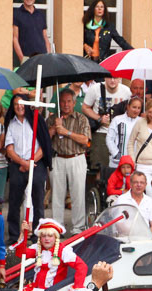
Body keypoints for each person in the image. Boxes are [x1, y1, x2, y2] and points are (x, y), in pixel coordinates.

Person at [5, 93, 52, 246]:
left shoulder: (37, 121)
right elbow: (9, 149)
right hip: (18, 165)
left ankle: (37, 234)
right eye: (16, 104)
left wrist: (31, 162)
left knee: (38, 202)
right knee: (14, 201)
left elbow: (44, 146)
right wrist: (23, 163)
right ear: (13, 107)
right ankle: (13, 235)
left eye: (22, 103)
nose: (19, 106)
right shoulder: (11, 124)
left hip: (36, 165)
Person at [48, 87, 92, 235]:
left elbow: (85, 140)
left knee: (78, 194)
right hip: (58, 159)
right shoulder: (53, 119)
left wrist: (66, 132)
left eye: (69, 101)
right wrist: (55, 128)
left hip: (76, 158)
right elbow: (44, 139)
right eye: (63, 102)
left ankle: (78, 228)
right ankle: (57, 227)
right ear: (59, 103)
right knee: (57, 196)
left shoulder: (81, 118)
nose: (66, 104)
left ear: (74, 103)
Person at [10, 217, 86, 291]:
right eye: (43, 236)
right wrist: (22, 234)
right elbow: (20, 253)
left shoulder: (64, 251)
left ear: (56, 237)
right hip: (34, 289)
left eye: (50, 236)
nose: (46, 239)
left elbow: (82, 267)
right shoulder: (37, 248)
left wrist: (76, 288)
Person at [107, 95, 142, 178]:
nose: (136, 110)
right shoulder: (117, 120)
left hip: (134, 163)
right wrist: (116, 154)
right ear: (128, 106)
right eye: (134, 107)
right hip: (117, 162)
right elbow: (109, 138)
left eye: (139, 108)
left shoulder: (141, 121)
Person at [13, 0, 51, 64]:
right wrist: (22, 58)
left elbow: (45, 37)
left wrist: (48, 55)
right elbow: (15, 38)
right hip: (26, 58)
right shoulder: (16, 14)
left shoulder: (40, 15)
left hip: (42, 57)